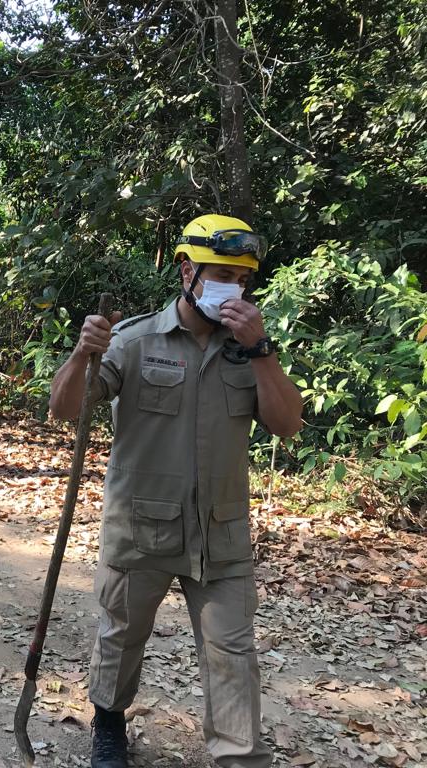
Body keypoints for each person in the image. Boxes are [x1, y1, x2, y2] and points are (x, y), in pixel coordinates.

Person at [49, 214, 303, 768]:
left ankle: (239, 756)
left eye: (241, 279)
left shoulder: (251, 349)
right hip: (141, 526)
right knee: (121, 636)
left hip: (221, 532)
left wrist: (261, 350)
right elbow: (66, 409)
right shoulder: (134, 341)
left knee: (232, 653)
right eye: (220, 274)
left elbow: (287, 424)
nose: (232, 288)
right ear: (186, 271)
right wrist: (80, 355)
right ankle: (109, 726)